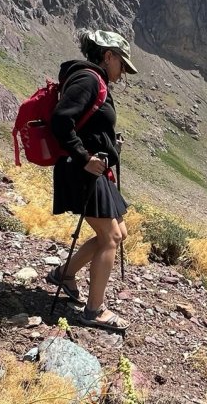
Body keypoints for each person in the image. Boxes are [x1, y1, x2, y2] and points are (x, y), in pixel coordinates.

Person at [46, 29, 138, 332]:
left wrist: (108, 142)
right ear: (108, 55)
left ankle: (64, 274)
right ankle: (94, 310)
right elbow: (61, 120)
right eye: (122, 64)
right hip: (83, 169)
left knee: (117, 232)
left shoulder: (94, 80)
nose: (123, 73)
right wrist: (86, 156)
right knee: (109, 236)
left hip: (94, 169)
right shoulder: (88, 79)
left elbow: (86, 122)